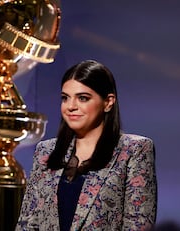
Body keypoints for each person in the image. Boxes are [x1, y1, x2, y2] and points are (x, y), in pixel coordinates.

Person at [15, 60, 157, 231]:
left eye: (83, 98)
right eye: (65, 98)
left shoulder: (134, 150)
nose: (71, 106)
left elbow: (138, 224)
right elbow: (27, 223)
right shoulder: (46, 151)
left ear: (108, 102)